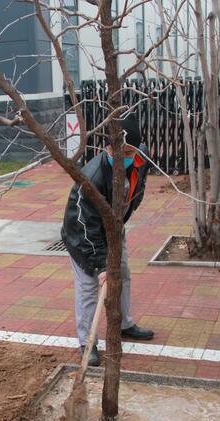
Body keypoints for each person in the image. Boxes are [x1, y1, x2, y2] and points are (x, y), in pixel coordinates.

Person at [61, 115, 154, 367]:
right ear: (108, 148)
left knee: (122, 273)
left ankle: (124, 323)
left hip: (114, 227)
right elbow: (85, 228)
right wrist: (101, 266)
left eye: (127, 151)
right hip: (82, 235)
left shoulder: (140, 159)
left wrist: (119, 223)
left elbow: (135, 191)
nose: (122, 155)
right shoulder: (91, 178)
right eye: (116, 150)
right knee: (90, 286)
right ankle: (86, 342)